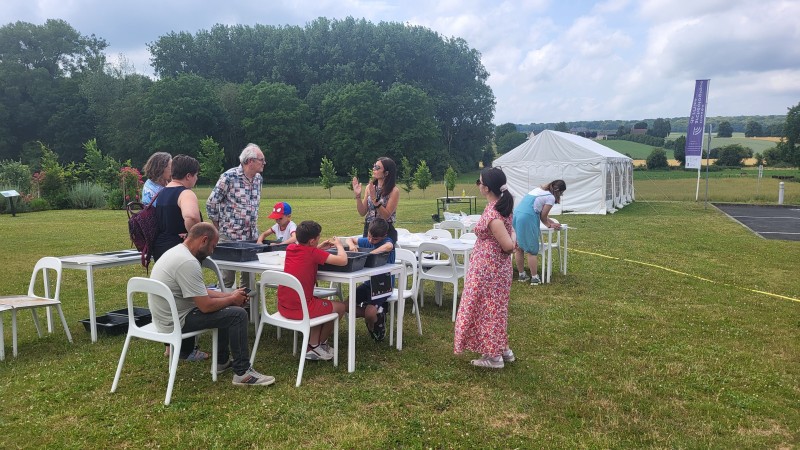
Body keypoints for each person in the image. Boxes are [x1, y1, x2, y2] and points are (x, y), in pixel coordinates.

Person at [149, 222, 275, 386]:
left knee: (226, 307)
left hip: (166, 316)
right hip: (176, 321)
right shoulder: (187, 262)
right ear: (204, 240)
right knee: (237, 314)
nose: (212, 251)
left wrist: (229, 295)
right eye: (213, 246)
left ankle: (221, 361)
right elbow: (206, 306)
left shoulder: (177, 252)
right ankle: (242, 373)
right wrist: (232, 300)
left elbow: (200, 291)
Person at [454, 167, 516, 369]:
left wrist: (512, 242)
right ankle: (502, 349)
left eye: (478, 182)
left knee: (487, 309)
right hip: (494, 268)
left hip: (489, 270)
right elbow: (511, 233)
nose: (477, 185)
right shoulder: (500, 207)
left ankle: (493, 356)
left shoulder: (494, 214)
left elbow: (507, 246)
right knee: (494, 308)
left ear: (486, 188)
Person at [279, 220, 348, 361]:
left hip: (284, 307)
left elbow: (307, 254)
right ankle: (316, 346)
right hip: (301, 309)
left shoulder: (291, 248)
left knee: (317, 303)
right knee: (340, 307)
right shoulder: (313, 253)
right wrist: (339, 245)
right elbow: (343, 260)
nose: (319, 240)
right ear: (312, 241)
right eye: (318, 238)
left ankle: (315, 344)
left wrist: (319, 248)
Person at [206, 143, 265, 289]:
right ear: (250, 161)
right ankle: (225, 309)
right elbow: (212, 202)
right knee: (226, 279)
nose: (264, 163)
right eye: (261, 159)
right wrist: (217, 225)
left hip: (251, 236)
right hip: (229, 236)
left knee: (249, 279)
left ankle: (246, 310)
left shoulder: (258, 179)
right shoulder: (229, 177)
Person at [345, 218, 395, 342]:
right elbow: (349, 239)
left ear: (384, 236)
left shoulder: (387, 241)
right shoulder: (367, 240)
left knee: (369, 313)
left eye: (375, 239)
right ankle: (377, 315)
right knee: (346, 305)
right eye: (369, 236)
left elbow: (389, 246)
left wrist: (370, 253)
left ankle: (375, 319)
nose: (371, 240)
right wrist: (351, 245)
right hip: (368, 283)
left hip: (383, 284)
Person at [513, 180, 566, 285]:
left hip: (517, 215)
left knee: (519, 247)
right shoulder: (550, 197)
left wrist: (550, 222)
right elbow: (543, 216)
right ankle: (534, 277)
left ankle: (522, 275)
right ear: (559, 192)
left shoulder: (539, 190)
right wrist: (550, 225)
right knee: (532, 250)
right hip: (528, 217)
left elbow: (542, 214)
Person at [152, 155, 203, 262]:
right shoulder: (186, 193)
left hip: (161, 248)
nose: (197, 178)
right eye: (196, 175)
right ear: (188, 176)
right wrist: (193, 237)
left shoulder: (162, 192)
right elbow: (191, 216)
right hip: (180, 250)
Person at [352, 156, 400, 244]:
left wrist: (375, 200)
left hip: (385, 231)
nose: (374, 169)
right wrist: (358, 196)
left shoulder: (394, 191)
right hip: (369, 229)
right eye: (374, 166)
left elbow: (386, 216)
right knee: (367, 257)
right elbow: (362, 212)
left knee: (381, 257)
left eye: (377, 168)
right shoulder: (369, 187)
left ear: (386, 173)